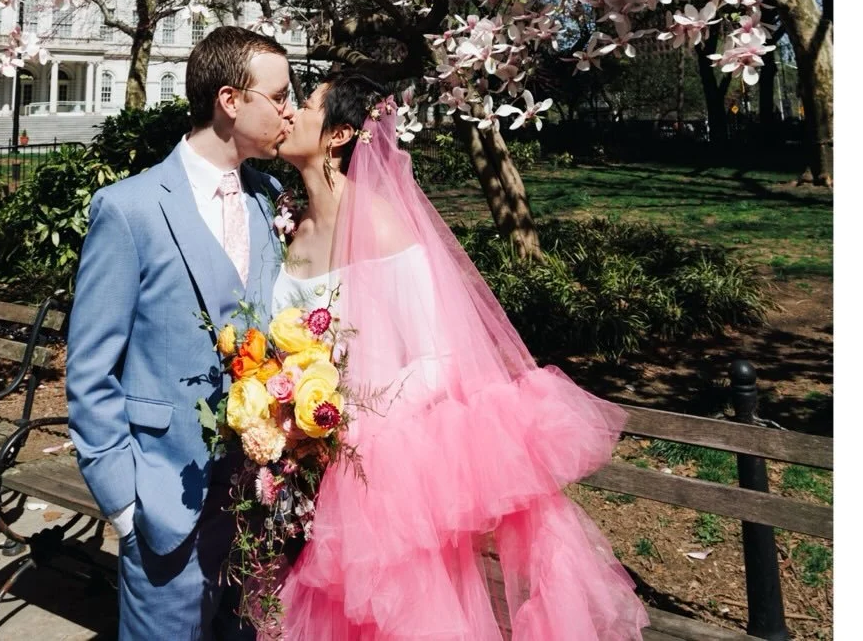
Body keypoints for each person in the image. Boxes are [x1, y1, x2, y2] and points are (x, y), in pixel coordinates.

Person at [272, 72, 649, 640]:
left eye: (305, 105)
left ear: (340, 134)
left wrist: (351, 420)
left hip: (377, 467)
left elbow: (435, 359)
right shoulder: (295, 229)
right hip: (307, 461)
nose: (290, 113)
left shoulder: (379, 223)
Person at [67, 25, 295, 641]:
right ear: (230, 100)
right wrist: (125, 504)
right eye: (279, 96)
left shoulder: (269, 198)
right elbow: (89, 370)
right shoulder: (130, 209)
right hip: (164, 505)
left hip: (255, 503)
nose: (289, 110)